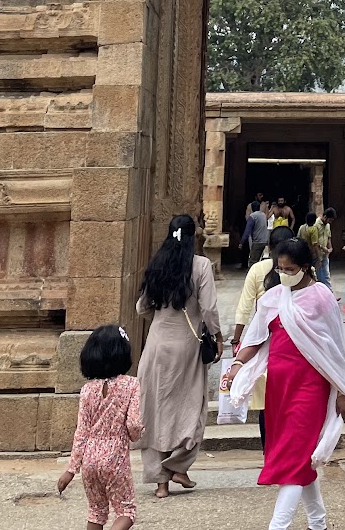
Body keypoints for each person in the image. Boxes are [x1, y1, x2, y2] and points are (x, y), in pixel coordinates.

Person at [227, 236, 345, 530]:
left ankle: (278, 526)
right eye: (280, 268)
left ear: (306, 268)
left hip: (311, 387)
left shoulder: (321, 297)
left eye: (290, 268)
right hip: (279, 389)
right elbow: (255, 339)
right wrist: (236, 364)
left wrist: (343, 391)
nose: (284, 274)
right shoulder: (272, 298)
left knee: (293, 459)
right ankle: (318, 522)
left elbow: (336, 346)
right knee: (299, 457)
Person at [136, 213, 221, 499]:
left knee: (155, 409)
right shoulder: (201, 265)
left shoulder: (157, 264)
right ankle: (178, 465)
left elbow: (142, 309)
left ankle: (160, 483)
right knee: (191, 407)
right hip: (187, 347)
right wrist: (218, 336)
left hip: (157, 344)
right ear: (193, 235)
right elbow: (208, 308)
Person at [57, 325, 142, 530]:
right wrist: (137, 435)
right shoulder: (131, 385)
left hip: (89, 461)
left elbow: (82, 431)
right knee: (126, 511)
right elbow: (133, 424)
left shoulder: (87, 390)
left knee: (96, 511)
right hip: (115, 458)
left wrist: (70, 470)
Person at [231, 225, 295, 447]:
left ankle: (270, 450)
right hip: (289, 347)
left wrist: (237, 340)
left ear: (269, 246)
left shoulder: (259, 270)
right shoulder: (299, 274)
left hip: (263, 346)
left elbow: (244, 308)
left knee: (265, 404)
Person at [241, 200, 270, 266]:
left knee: (252, 261)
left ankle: (253, 275)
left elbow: (247, 230)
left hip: (257, 241)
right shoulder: (263, 215)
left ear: (252, 208)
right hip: (265, 240)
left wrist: (242, 242)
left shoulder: (252, 216)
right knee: (262, 259)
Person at [314, 208, 336, 289]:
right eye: (329, 220)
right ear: (325, 217)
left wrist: (330, 247)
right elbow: (315, 241)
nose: (330, 222)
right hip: (317, 254)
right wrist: (323, 248)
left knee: (326, 275)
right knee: (319, 276)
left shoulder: (328, 225)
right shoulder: (316, 224)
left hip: (325, 254)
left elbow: (328, 237)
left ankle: (330, 294)